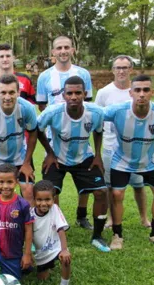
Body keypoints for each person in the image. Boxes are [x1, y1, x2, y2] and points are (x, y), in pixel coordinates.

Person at [37, 76, 110, 252]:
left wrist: (98, 155)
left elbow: (98, 131)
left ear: (85, 94)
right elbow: (37, 130)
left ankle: (98, 236)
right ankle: (49, 233)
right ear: (63, 95)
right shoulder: (52, 112)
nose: (74, 96)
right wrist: (49, 153)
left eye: (78, 92)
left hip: (84, 157)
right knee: (47, 194)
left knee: (101, 192)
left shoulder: (96, 113)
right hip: (57, 158)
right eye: (69, 93)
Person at [103, 74, 154, 249]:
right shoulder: (117, 111)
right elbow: (95, 115)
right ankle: (117, 236)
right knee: (117, 194)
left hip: (149, 160)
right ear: (131, 93)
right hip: (122, 160)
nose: (141, 94)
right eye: (137, 90)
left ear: (152, 93)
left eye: (146, 90)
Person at [36, 36, 94, 230]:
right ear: (53, 52)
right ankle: (57, 220)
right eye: (59, 48)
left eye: (66, 47)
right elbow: (43, 107)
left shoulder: (83, 73)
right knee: (53, 182)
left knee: (84, 175)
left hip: (79, 136)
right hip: (55, 138)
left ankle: (81, 215)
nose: (63, 51)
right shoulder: (44, 76)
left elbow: (89, 104)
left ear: (73, 49)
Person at [0, 74, 38, 234]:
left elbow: (33, 133)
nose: (7, 97)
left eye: (11, 92)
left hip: (19, 157)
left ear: (18, 92)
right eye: (3, 92)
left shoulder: (27, 109)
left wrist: (26, 163)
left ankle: (29, 233)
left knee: (28, 190)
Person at [95, 55, 150, 230]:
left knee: (139, 185)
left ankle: (144, 218)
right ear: (112, 70)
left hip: (135, 149)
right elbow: (98, 119)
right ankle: (111, 219)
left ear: (131, 69)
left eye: (125, 67)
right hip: (111, 148)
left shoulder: (138, 91)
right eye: (118, 67)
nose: (121, 71)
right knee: (111, 187)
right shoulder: (104, 93)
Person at [31, 180, 71, 285]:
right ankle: (48, 265)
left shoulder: (55, 209)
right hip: (41, 252)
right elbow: (27, 235)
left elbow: (60, 230)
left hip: (55, 248)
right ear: (34, 199)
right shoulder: (30, 214)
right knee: (41, 278)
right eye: (39, 200)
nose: (43, 203)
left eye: (47, 199)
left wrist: (64, 249)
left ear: (53, 199)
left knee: (66, 259)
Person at [0, 43, 36, 109]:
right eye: (1, 56)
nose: (5, 59)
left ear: (13, 58)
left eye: (8, 56)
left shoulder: (25, 80)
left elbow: (32, 106)